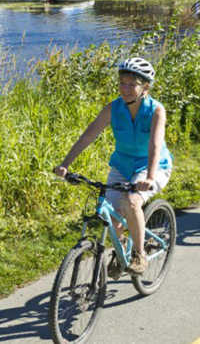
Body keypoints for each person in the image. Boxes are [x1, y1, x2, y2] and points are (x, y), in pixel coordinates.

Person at [53, 57, 173, 278]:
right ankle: (121, 252)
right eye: (122, 83)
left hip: (151, 166)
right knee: (112, 215)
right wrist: (65, 164)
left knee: (132, 201)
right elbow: (88, 135)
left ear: (145, 86)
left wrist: (149, 176)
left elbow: (155, 144)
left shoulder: (156, 110)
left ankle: (139, 254)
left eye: (132, 84)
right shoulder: (113, 108)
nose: (125, 89)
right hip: (122, 165)